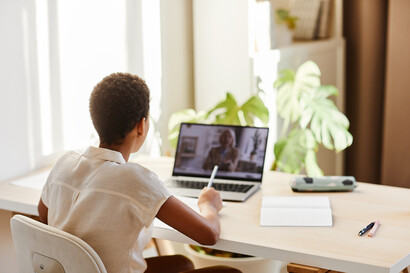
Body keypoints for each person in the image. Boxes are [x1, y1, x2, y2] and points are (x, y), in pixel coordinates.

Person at [37, 73, 241, 273]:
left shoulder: (64, 162)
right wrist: (208, 204)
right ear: (141, 126)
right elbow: (209, 235)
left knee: (182, 264)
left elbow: (43, 215)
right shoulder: (136, 179)